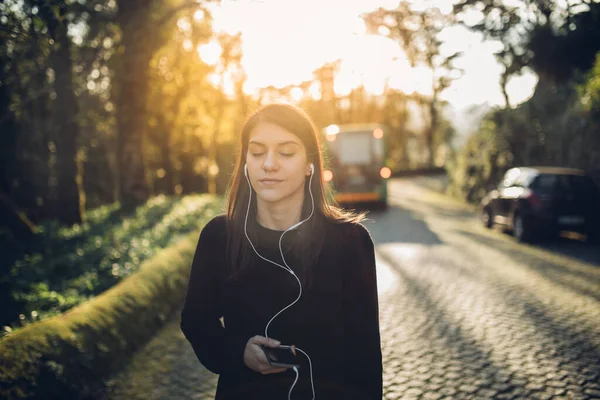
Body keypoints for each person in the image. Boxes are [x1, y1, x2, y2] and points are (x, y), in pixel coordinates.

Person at [180, 103, 382, 399]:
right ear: (246, 162)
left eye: (286, 152)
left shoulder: (351, 241)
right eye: (257, 152)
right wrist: (239, 353)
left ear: (309, 164)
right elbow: (196, 321)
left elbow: (365, 354)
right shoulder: (219, 236)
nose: (269, 164)